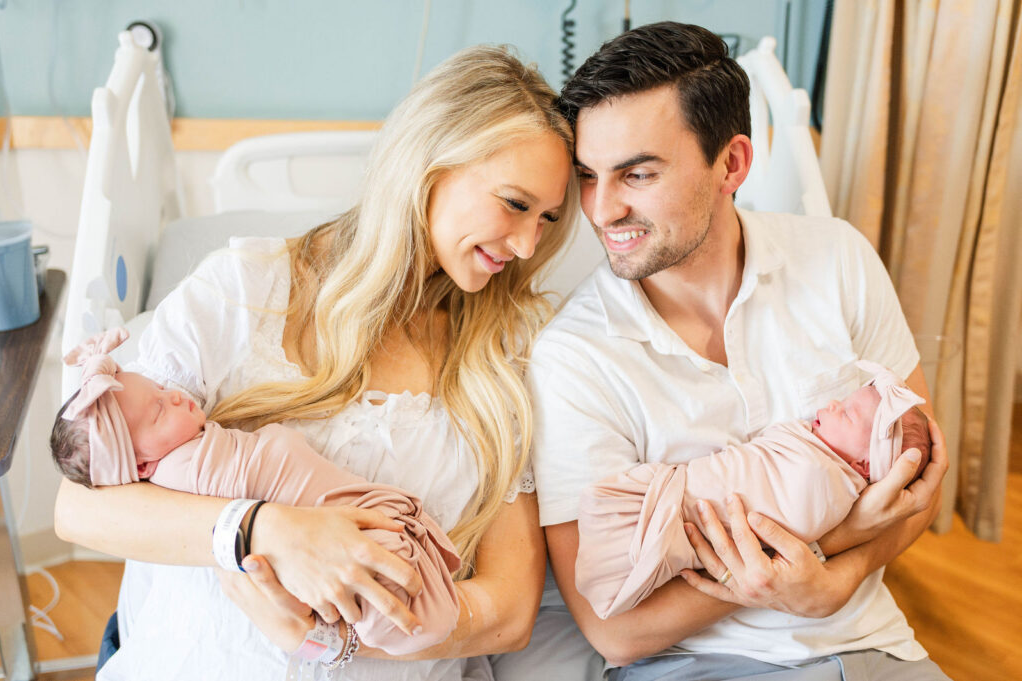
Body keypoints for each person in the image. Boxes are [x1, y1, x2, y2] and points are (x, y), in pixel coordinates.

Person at [53, 44, 579, 681]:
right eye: (515, 204)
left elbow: (510, 612)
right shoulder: (245, 290)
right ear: (429, 166)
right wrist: (266, 530)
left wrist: (326, 639)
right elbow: (80, 509)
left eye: (548, 218)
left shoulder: (509, 350)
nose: (526, 244)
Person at [530, 21, 951, 680]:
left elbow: (922, 478)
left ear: (731, 164)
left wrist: (839, 583)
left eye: (637, 174)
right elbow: (614, 630)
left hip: (873, 648)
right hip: (692, 666)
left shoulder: (836, 258)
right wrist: (829, 545)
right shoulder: (573, 357)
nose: (602, 210)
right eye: (589, 175)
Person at [51, 327, 460, 655]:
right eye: (159, 409)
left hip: (345, 515)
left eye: (160, 388)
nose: (174, 394)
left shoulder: (177, 451)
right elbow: (74, 510)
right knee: (386, 575)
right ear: (141, 468)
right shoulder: (185, 474)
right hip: (331, 538)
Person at [576, 361, 931, 619]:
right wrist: (851, 535)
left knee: (633, 533)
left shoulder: (823, 478)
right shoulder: (811, 446)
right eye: (843, 400)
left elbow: (796, 520)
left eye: (848, 415)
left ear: (865, 466)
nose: (834, 405)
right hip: (676, 493)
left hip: (680, 515)